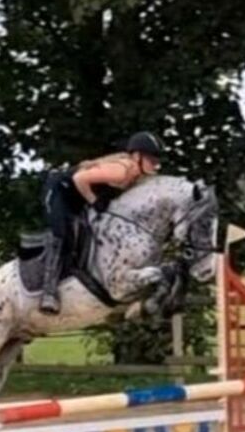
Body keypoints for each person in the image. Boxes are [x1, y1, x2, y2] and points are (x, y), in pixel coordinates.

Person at [40, 131, 164, 314]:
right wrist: (93, 201)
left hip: (78, 196)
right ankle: (48, 292)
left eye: (157, 159)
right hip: (60, 191)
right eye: (151, 159)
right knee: (63, 234)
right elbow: (79, 178)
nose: (156, 164)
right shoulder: (122, 170)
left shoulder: (138, 177)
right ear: (136, 156)